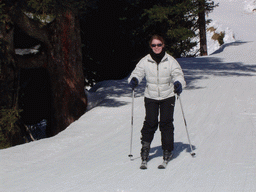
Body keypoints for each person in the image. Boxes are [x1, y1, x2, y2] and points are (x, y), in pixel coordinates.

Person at [128, 34, 186, 162]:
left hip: (168, 95)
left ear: (163, 45)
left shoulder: (170, 60)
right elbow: (137, 72)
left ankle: (167, 150)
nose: (156, 47)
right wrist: (134, 79)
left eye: (159, 45)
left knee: (166, 123)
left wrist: (178, 83)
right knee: (150, 122)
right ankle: (145, 148)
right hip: (151, 96)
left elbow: (178, 74)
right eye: (154, 45)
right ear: (150, 46)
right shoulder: (145, 61)